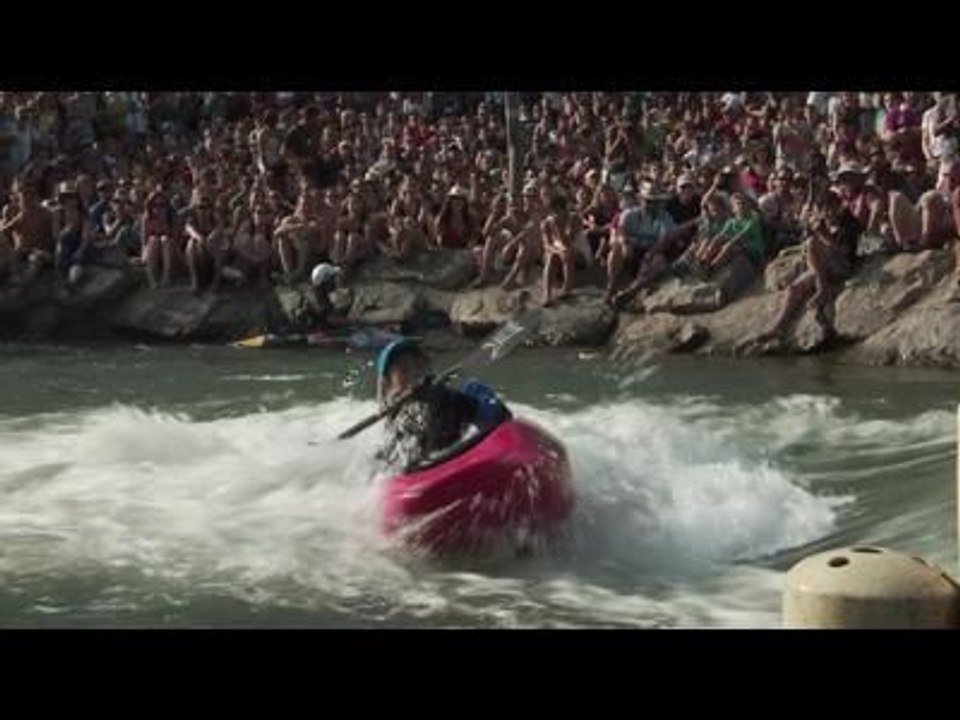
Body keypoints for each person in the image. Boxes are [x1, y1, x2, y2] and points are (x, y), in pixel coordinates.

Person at [375, 338, 511, 470]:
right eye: (404, 371)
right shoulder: (393, 416)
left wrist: (450, 399)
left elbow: (501, 418)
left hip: (467, 454)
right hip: (427, 470)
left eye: (418, 366)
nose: (414, 374)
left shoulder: (464, 391)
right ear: (388, 386)